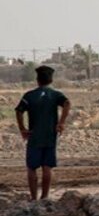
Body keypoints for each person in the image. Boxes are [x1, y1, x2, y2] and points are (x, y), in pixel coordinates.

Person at [15, 65, 71, 200]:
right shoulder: (55, 94)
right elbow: (67, 103)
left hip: (34, 136)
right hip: (50, 136)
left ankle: (34, 198)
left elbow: (18, 111)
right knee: (47, 167)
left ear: (37, 80)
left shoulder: (29, 95)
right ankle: (45, 197)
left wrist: (22, 128)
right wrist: (61, 122)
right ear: (51, 80)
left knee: (32, 168)